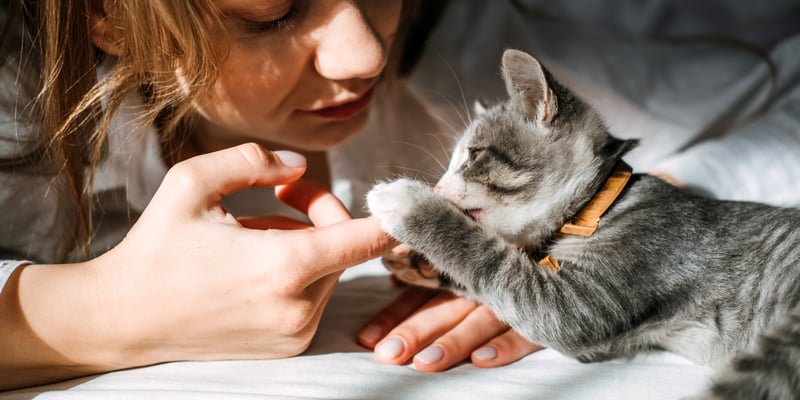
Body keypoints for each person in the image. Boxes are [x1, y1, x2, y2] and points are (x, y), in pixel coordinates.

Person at [0, 0, 541, 391]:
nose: (364, 56)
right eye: (273, 14)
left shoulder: (505, 52)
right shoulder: (17, 120)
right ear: (109, 16)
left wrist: (568, 267)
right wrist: (113, 310)